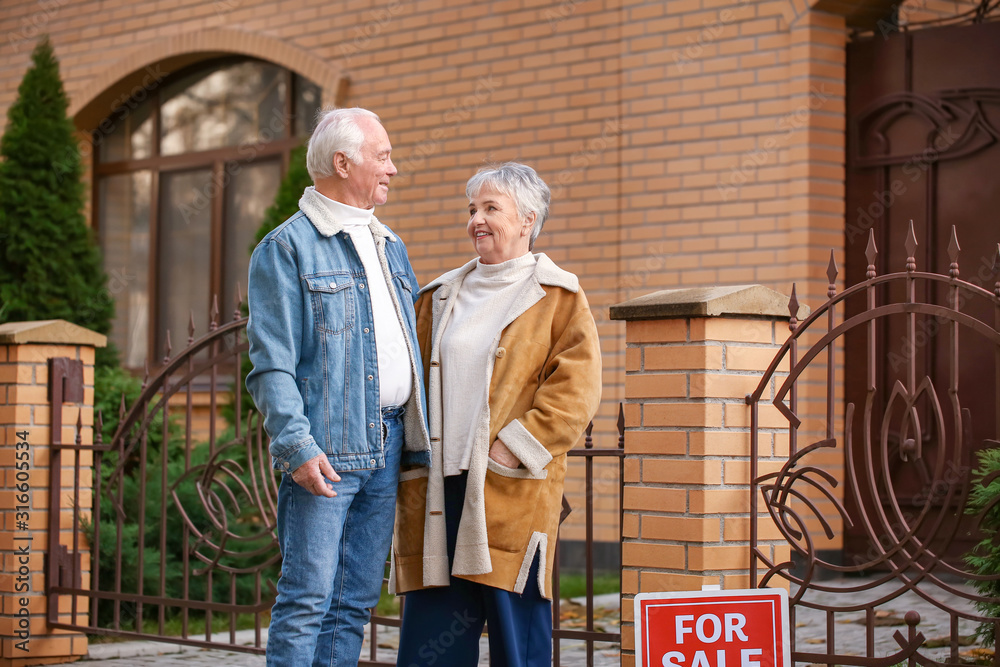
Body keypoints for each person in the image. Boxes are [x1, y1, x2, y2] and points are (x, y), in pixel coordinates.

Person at [392, 162, 602, 666]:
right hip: (440, 489)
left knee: (517, 641)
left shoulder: (559, 297)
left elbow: (577, 390)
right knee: (431, 643)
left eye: (491, 208)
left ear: (528, 219)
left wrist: (514, 447)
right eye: (472, 209)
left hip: (509, 488)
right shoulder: (437, 297)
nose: (477, 220)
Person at [245, 107, 430, 667]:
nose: (393, 168)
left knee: (353, 603)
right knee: (306, 600)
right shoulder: (286, 248)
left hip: (391, 442)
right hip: (327, 449)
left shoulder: (388, 243)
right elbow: (271, 366)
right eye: (384, 156)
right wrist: (297, 447)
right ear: (343, 162)